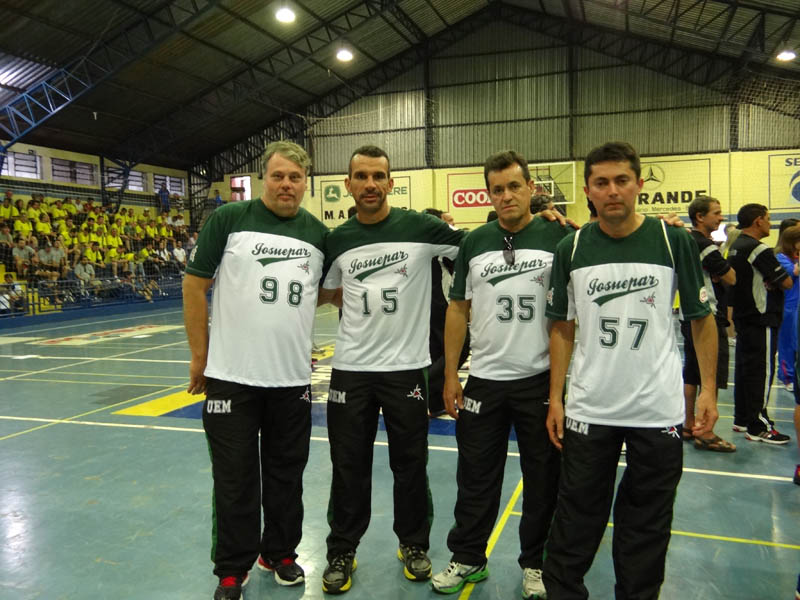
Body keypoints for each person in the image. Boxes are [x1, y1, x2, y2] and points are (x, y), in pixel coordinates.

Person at [543, 141, 718, 600]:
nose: (613, 190)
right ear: (587, 191)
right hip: (590, 407)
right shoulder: (571, 247)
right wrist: (556, 398)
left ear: (639, 184)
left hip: (657, 410)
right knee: (575, 519)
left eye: (622, 180)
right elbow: (561, 327)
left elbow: (701, 320)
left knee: (647, 526)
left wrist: (708, 391)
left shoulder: (673, 241)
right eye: (601, 183)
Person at [183, 141, 330, 600]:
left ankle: (280, 553)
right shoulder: (230, 219)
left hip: (291, 380)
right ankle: (232, 567)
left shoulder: (318, 234)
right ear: (264, 178)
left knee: (287, 475)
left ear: (306, 183)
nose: (286, 184)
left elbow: (324, 291)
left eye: (295, 178)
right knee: (234, 479)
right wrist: (200, 356)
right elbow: (194, 285)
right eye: (278, 176)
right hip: (232, 377)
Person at [319, 145, 464, 594]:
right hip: (351, 370)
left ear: (390, 182)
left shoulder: (420, 227)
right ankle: (342, 549)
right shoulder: (338, 239)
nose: (370, 184)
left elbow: (476, 245)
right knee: (348, 465)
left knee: (410, 464)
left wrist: (537, 223)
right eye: (361, 176)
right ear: (348, 184)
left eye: (378, 176)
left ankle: (413, 544)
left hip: (406, 371)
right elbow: (327, 291)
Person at [431, 151, 566, 599]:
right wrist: (451, 374)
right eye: (497, 189)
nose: (506, 195)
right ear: (489, 194)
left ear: (531, 188)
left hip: (538, 378)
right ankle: (469, 556)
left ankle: (536, 564)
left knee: (543, 480)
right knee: (475, 477)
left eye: (514, 186)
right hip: (485, 380)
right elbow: (458, 309)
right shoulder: (475, 242)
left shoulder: (559, 236)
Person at [728, 203, 793, 444]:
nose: (769, 223)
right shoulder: (759, 249)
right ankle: (758, 425)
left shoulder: (735, 246)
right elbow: (786, 282)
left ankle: (742, 418)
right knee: (762, 372)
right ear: (758, 221)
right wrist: (776, 280)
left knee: (746, 370)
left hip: (744, 317)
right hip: (761, 317)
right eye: (767, 218)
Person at [680, 196, 737, 452]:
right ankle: (706, 432)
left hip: (687, 313)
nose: (721, 217)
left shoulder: (686, 241)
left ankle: (688, 424)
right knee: (709, 375)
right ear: (700, 217)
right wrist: (720, 273)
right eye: (717, 213)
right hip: (708, 315)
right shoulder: (704, 244)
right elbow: (731, 277)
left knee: (691, 371)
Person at [776, 223, 800, 391]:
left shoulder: (795, 258)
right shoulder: (781, 258)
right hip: (788, 308)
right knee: (787, 344)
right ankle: (787, 377)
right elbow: (794, 272)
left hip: (796, 306)